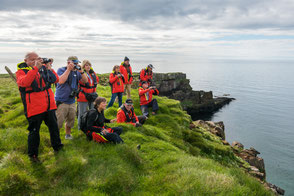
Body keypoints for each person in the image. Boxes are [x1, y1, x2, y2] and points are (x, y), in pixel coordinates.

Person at [16, 52, 63, 162]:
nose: (35, 61)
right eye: (32, 59)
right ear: (25, 60)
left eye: (37, 59)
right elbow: (25, 82)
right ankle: (33, 155)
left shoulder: (43, 68)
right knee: (34, 132)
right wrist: (35, 69)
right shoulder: (21, 71)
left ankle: (58, 147)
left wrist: (49, 68)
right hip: (34, 108)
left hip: (49, 105)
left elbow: (55, 79)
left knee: (54, 128)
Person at [55, 56, 87, 139]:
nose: (76, 65)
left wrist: (82, 72)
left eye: (77, 63)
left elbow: (85, 81)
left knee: (71, 120)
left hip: (72, 100)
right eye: (74, 63)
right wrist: (68, 70)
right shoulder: (61, 70)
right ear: (69, 62)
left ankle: (68, 135)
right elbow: (60, 81)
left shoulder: (77, 72)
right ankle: (55, 137)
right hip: (61, 100)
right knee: (59, 121)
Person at [77, 60, 99, 130]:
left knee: (92, 112)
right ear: (83, 66)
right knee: (82, 113)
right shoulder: (80, 74)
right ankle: (80, 128)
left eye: (89, 65)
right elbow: (80, 82)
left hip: (92, 96)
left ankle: (90, 126)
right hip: (83, 95)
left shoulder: (93, 73)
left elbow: (96, 81)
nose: (88, 66)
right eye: (86, 65)